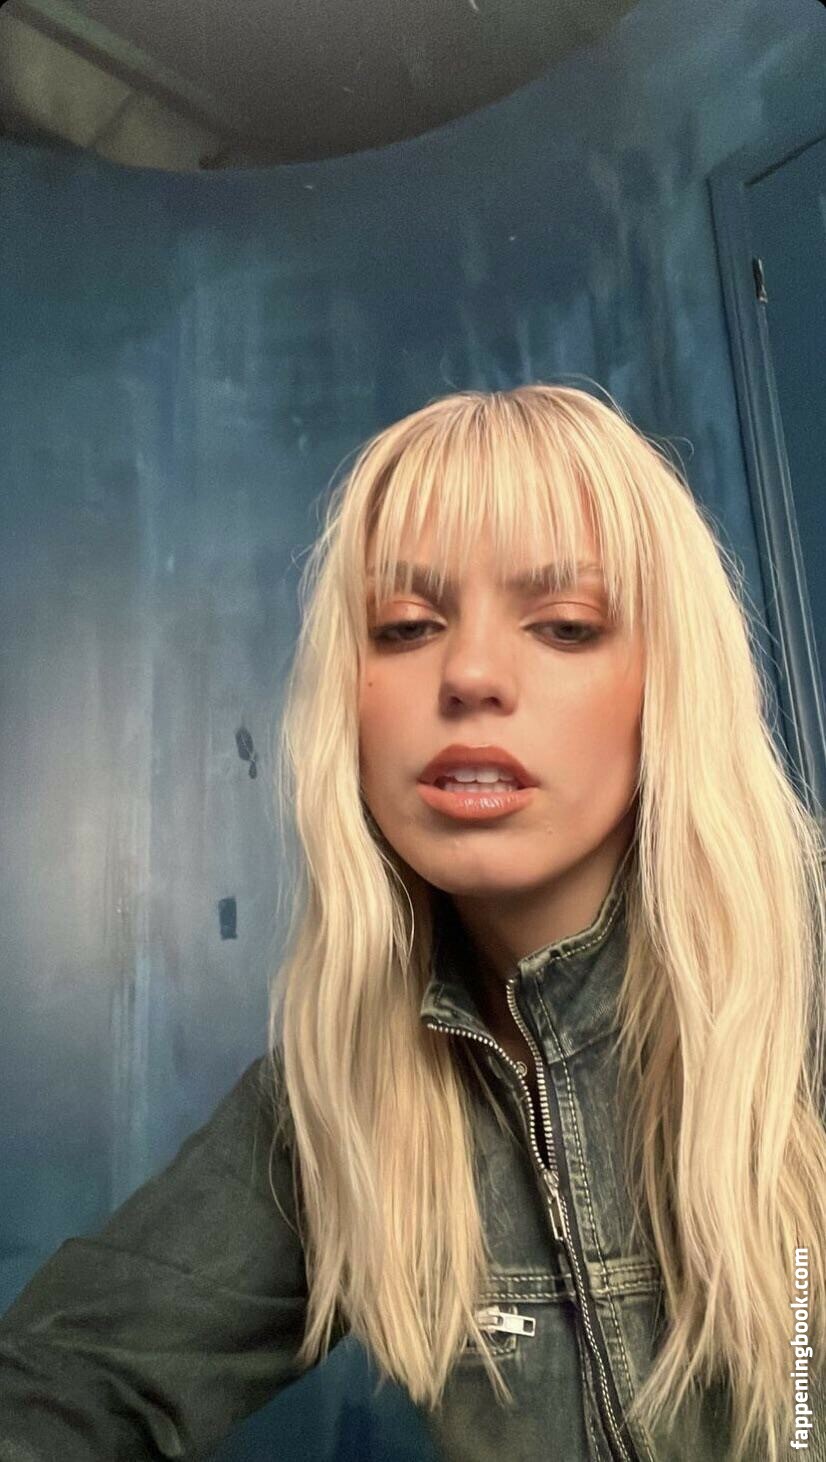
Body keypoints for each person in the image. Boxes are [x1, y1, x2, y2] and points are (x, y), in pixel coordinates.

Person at [1, 383, 824, 1462]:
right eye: (405, 628)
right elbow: (66, 1381)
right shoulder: (339, 1089)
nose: (469, 674)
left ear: (668, 682)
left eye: (564, 625)